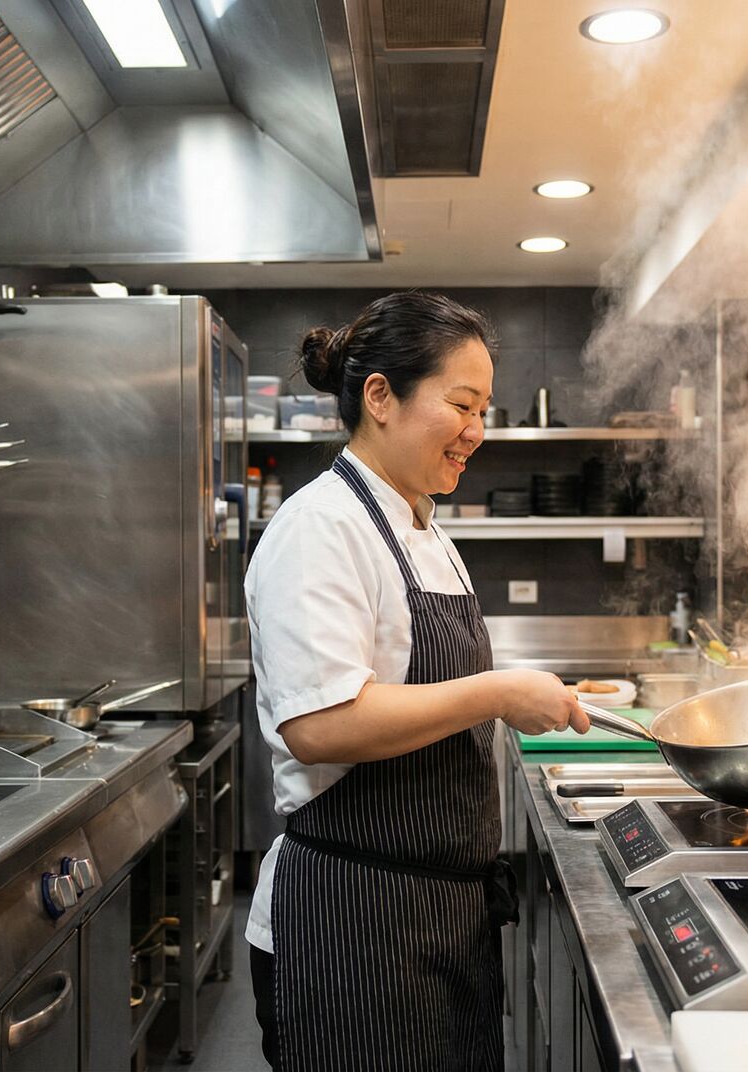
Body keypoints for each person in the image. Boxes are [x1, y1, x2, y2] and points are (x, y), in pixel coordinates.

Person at [243, 292, 590, 1071]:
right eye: (461, 404)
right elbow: (322, 725)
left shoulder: (424, 526)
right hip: (353, 927)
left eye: (484, 409)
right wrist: (500, 692)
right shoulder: (320, 528)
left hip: (438, 920)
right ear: (380, 398)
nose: (477, 430)